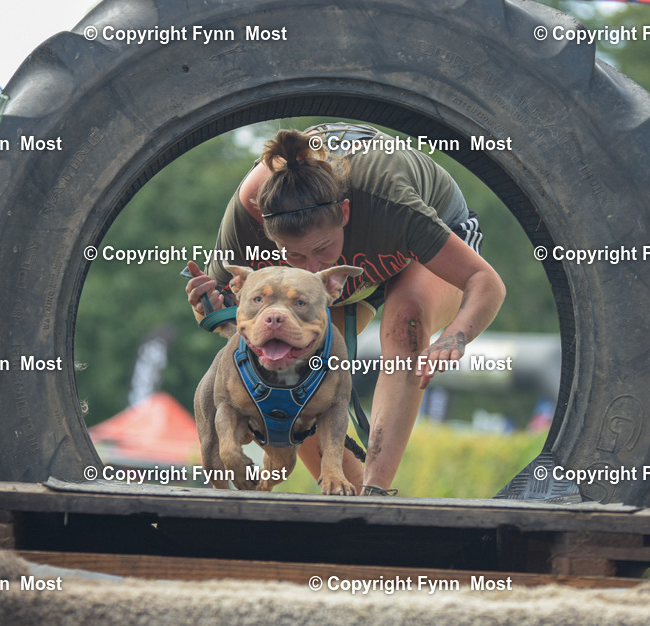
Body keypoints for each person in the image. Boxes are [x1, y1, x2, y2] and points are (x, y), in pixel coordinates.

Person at [186, 123, 506, 495]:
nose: (311, 269)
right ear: (267, 231)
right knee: (284, 355)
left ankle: (375, 493)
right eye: (294, 256)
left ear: (346, 212)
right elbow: (229, 322)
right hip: (349, 273)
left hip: (415, 247)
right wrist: (208, 308)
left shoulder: (391, 202)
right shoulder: (248, 212)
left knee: (406, 321)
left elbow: (486, 282)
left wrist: (456, 335)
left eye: (322, 249)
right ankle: (343, 489)